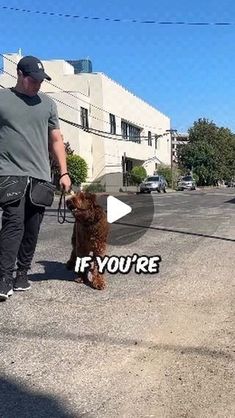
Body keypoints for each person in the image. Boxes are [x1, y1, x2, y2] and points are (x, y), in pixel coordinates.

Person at [0, 55, 71, 301]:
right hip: (10, 173)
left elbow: (56, 140)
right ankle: (4, 277)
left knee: (32, 227)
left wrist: (63, 171)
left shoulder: (48, 104)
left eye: (41, 81)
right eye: (34, 80)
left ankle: (22, 274)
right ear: (19, 74)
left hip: (40, 175)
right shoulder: (2, 99)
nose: (38, 85)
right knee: (13, 223)